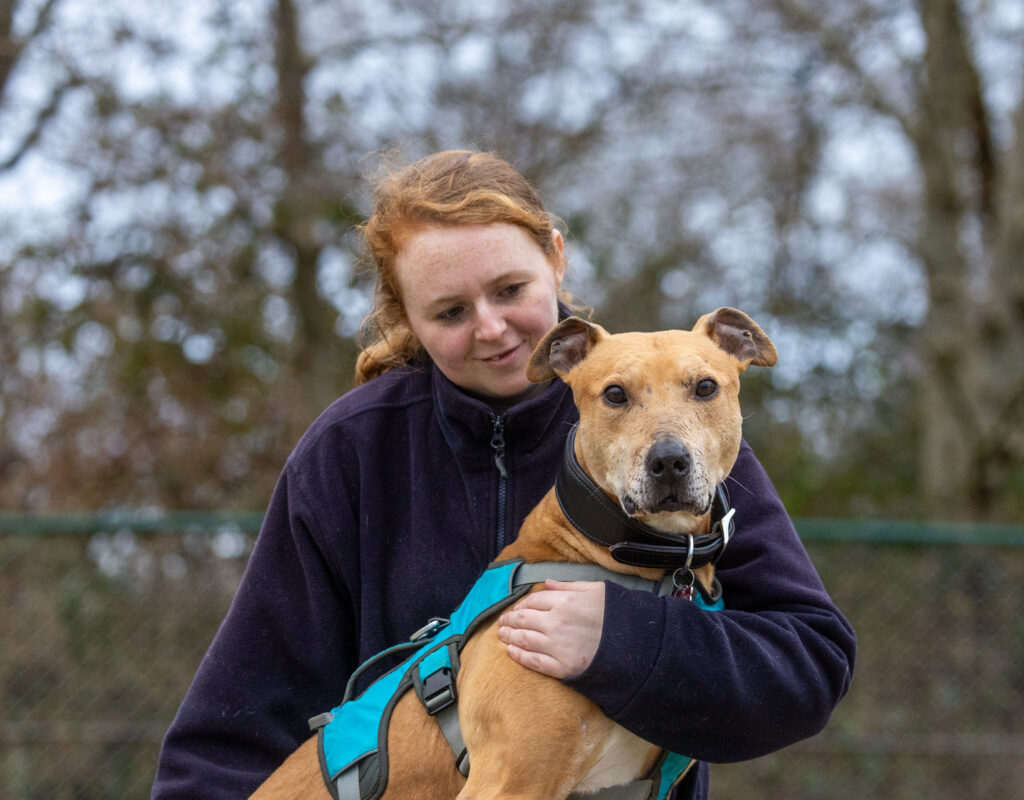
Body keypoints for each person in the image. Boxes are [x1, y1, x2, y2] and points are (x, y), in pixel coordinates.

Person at [151, 149, 856, 799]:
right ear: (410, 319)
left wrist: (623, 640)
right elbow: (233, 728)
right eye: (452, 311)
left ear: (556, 257)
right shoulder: (352, 452)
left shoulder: (676, 440)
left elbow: (808, 665)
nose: (492, 329)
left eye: (509, 288)